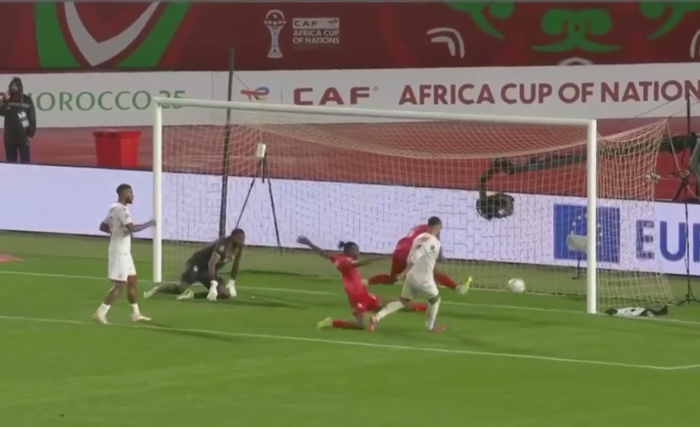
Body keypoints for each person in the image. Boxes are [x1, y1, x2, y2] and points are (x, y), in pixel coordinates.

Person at [297, 236, 428, 331]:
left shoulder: (338, 258)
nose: (358, 252)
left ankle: (422, 308)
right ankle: (331, 322)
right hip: (356, 298)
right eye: (356, 250)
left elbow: (322, 253)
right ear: (350, 251)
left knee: (392, 304)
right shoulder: (345, 261)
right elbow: (359, 263)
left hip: (363, 294)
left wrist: (309, 244)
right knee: (360, 325)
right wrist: (376, 258)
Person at [94, 184, 155, 324]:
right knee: (121, 284)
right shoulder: (122, 209)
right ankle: (100, 312)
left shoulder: (113, 208)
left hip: (125, 252)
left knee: (132, 280)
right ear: (123, 194)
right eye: (130, 193)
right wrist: (150, 224)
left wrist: (116, 232)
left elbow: (103, 226)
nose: (133, 196)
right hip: (119, 252)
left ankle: (135, 313)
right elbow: (131, 228)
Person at [370, 224, 445, 333]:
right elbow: (416, 256)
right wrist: (404, 273)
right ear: (437, 228)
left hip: (411, 276)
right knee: (435, 298)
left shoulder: (418, 238)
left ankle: (376, 317)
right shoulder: (434, 242)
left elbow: (410, 256)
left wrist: (406, 272)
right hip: (424, 279)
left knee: (403, 300)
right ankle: (431, 326)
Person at [367, 216, 471, 294]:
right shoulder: (430, 234)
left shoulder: (420, 228)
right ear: (437, 227)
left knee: (392, 279)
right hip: (409, 251)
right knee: (434, 272)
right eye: (439, 228)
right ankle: (457, 288)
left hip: (399, 249)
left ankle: (367, 282)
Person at [144, 229, 245, 301]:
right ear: (233, 237)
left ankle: (192, 295)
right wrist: (213, 284)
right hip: (197, 266)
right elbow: (212, 263)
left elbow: (236, 264)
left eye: (243, 238)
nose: (242, 240)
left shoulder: (238, 248)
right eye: (240, 238)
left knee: (224, 294)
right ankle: (157, 289)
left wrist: (232, 282)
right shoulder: (223, 246)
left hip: (208, 271)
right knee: (180, 288)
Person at [0, 77, 36, 163]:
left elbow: (32, 117)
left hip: (22, 137)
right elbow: (1, 112)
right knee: (11, 162)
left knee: (25, 161)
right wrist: (4, 100)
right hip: (9, 137)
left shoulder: (27, 100)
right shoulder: (7, 100)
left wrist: (31, 130)